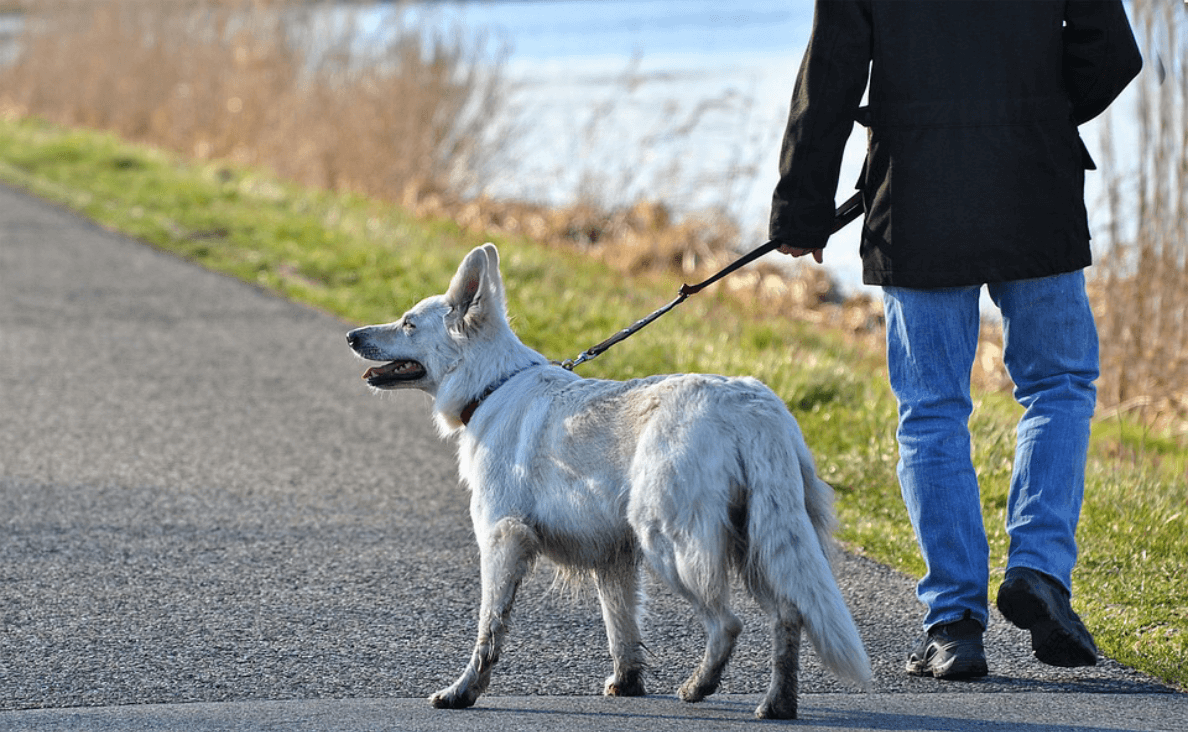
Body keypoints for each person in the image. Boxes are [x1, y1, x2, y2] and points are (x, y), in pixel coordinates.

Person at [768, 1, 1141, 679]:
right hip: (1036, 183)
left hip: (918, 196)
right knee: (1058, 386)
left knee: (933, 409)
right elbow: (1112, 54)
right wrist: (1038, 113)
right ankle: (1039, 571)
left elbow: (831, 73)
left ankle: (953, 625)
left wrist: (801, 206)